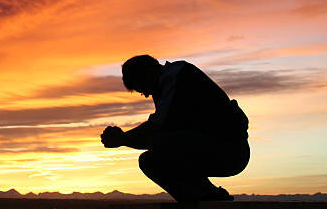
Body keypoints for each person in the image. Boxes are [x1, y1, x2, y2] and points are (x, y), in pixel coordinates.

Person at [100, 55, 249, 203]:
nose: (146, 94)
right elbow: (157, 133)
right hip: (212, 148)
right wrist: (123, 139)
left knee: (159, 146)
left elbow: (155, 130)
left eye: (143, 88)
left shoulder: (177, 76)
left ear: (148, 73)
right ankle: (206, 196)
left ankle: (206, 195)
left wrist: (122, 138)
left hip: (230, 151)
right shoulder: (168, 83)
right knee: (150, 160)